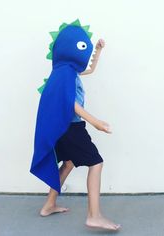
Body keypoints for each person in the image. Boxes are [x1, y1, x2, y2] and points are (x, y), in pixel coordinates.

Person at [39, 38, 121, 231]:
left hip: (63, 128)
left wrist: (98, 51)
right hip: (71, 127)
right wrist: (96, 122)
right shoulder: (66, 72)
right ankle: (94, 216)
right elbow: (69, 102)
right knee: (96, 162)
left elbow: (89, 70)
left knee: (68, 163)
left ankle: (48, 205)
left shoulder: (65, 71)